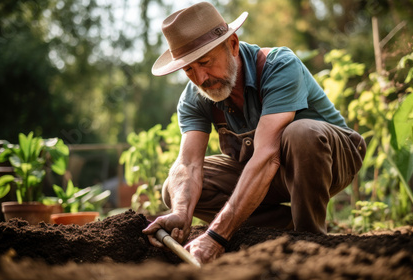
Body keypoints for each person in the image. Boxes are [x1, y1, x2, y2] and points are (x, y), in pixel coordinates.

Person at [142, 2, 366, 264]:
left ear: (233, 44)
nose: (201, 78)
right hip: (268, 175)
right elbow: (189, 163)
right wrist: (181, 211)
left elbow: (268, 155)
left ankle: (309, 242)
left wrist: (216, 235)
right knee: (176, 187)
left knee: (300, 133)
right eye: (189, 69)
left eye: (205, 62)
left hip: (331, 160)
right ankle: (282, 228)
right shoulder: (195, 97)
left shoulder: (279, 65)